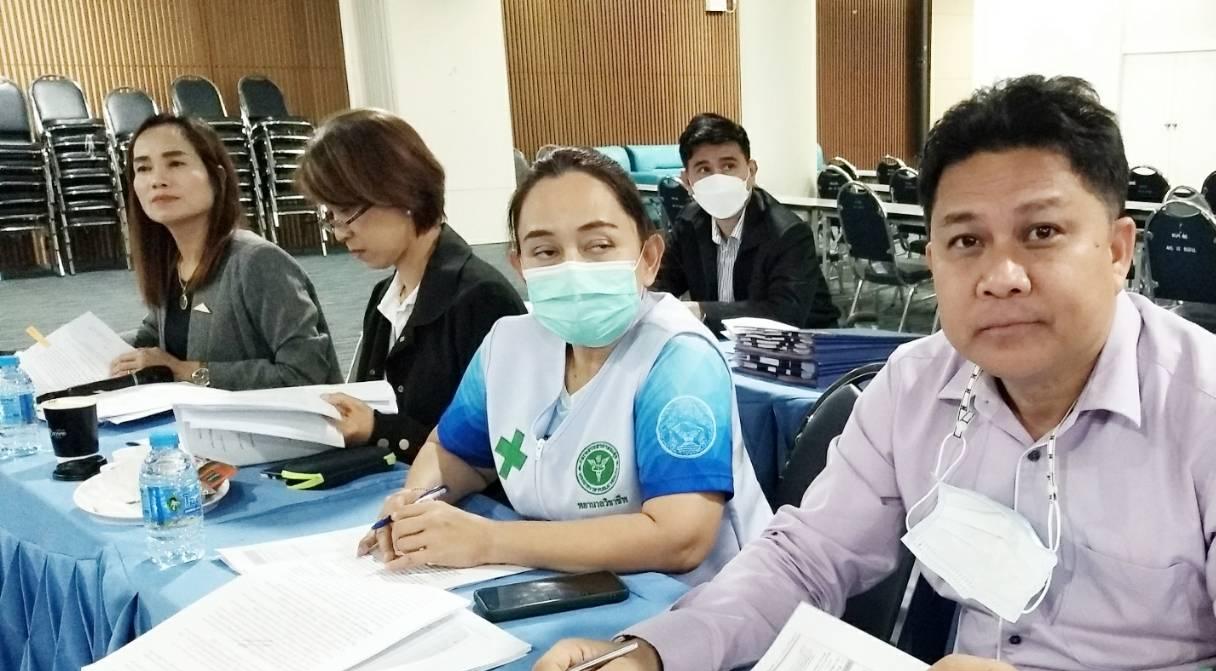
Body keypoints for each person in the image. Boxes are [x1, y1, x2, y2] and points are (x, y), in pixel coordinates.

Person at [527, 77, 1216, 671]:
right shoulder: (915, 387)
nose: (1000, 276)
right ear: (931, 257)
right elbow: (805, 560)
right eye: (966, 241)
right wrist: (650, 653)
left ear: (1118, 249)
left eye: (1041, 234)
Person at [360, 147, 772, 583]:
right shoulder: (507, 347)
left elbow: (679, 537)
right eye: (545, 251)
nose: (572, 267)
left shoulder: (678, 358)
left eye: (599, 245)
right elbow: (454, 452)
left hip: (694, 601)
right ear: (520, 265)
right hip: (567, 584)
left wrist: (489, 541)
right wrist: (416, 502)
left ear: (649, 258)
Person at [297, 108, 526, 461]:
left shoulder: (480, 298)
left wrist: (379, 430)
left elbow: (501, 449)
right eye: (330, 215)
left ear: (402, 192)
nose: (341, 233)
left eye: (348, 210)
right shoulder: (384, 297)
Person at [110, 114, 338, 389]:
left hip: (264, 417)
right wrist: (99, 350)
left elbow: (305, 372)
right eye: (143, 168)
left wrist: (186, 371)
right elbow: (154, 335)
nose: (157, 180)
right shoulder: (174, 261)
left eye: (176, 163)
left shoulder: (257, 262)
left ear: (217, 177)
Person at [651, 113, 840, 332]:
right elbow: (659, 286)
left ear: (751, 171)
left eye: (728, 166)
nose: (718, 179)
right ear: (687, 181)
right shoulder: (688, 223)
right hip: (724, 344)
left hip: (806, 342)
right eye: (704, 170)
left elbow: (784, 315)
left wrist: (701, 311)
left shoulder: (788, 233)